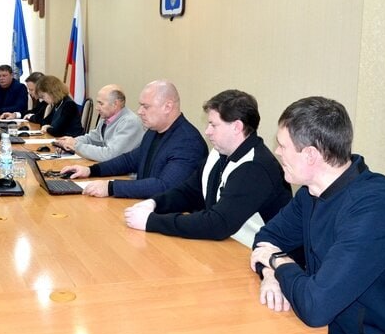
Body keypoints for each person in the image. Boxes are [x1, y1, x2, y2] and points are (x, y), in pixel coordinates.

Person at [249, 96, 385, 334]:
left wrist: (278, 261)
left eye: (282, 145)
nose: (277, 152)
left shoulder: (375, 209)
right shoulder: (311, 192)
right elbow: (266, 238)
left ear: (311, 155)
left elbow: (315, 307)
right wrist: (270, 274)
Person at [123, 90, 291, 246]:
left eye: (213, 125)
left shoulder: (255, 168)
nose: (207, 131)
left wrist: (151, 222)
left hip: (251, 253)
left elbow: (217, 224)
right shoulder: (219, 153)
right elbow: (190, 192)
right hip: (225, 246)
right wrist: (154, 203)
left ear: (236, 127)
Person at [61, 80, 207, 199]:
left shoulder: (187, 142)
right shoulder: (153, 131)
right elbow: (129, 160)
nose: (139, 111)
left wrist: (111, 187)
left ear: (167, 106)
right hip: (145, 205)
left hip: (171, 217)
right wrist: (90, 171)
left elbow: (164, 186)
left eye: (146, 107)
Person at [55, 84, 144, 162]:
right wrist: (69, 143)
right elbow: (91, 139)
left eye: (101, 104)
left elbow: (110, 155)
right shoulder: (106, 119)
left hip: (125, 176)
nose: (97, 108)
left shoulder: (130, 123)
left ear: (115, 104)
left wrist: (76, 146)